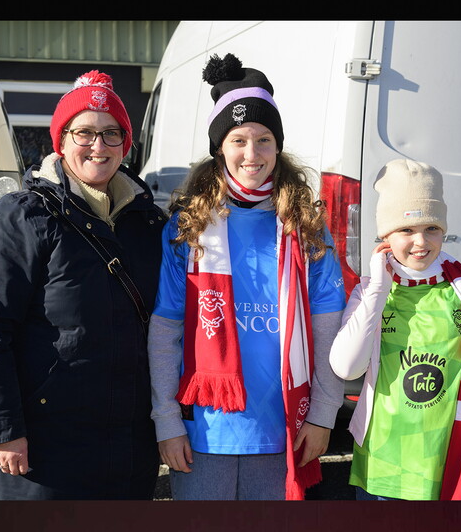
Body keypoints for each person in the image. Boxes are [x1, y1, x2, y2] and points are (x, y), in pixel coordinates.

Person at [147, 53, 347, 501]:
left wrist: (322, 414)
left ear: (278, 147)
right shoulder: (187, 226)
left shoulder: (306, 226)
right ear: (220, 146)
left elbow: (328, 329)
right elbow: (165, 330)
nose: (251, 153)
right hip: (204, 433)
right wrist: (166, 420)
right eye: (238, 140)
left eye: (263, 139)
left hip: (283, 429)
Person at [0, 70, 166, 500]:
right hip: (40, 453)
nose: (99, 145)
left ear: (126, 144)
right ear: (62, 140)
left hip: (125, 453)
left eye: (112, 134)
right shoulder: (24, 216)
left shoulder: (148, 224)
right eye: (84, 132)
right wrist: (3, 428)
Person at [329, 158, 461, 501]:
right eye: (406, 229)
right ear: (385, 235)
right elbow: (347, 367)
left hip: (448, 464)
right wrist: (377, 289)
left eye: (432, 228)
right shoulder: (370, 291)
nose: (421, 241)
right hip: (382, 469)